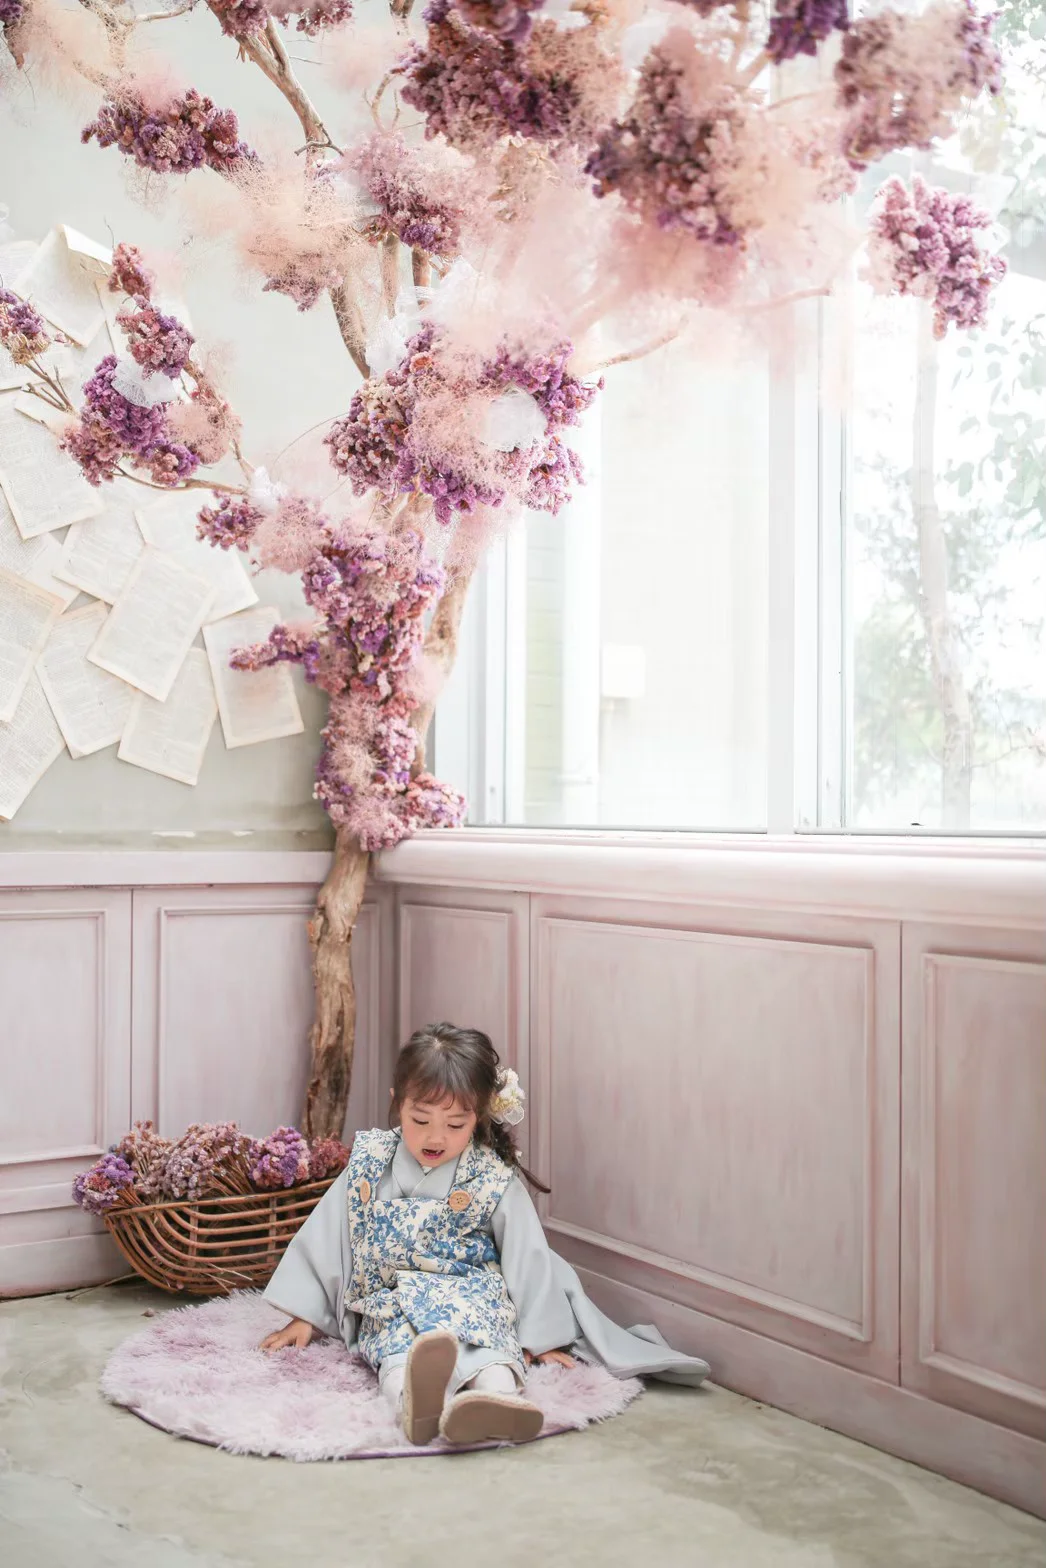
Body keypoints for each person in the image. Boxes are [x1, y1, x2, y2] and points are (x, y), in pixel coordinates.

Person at [260, 1022, 709, 1446]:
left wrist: (543, 1335)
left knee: (490, 1345)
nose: (436, 1137)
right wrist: (307, 1313)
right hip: (393, 1299)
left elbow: (526, 1254)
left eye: (455, 1125)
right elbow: (330, 1232)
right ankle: (413, 1404)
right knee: (398, 1352)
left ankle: (498, 1401)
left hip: (472, 1291)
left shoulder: (490, 1176)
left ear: (478, 1116)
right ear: (398, 1102)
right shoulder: (372, 1161)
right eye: (420, 1120)